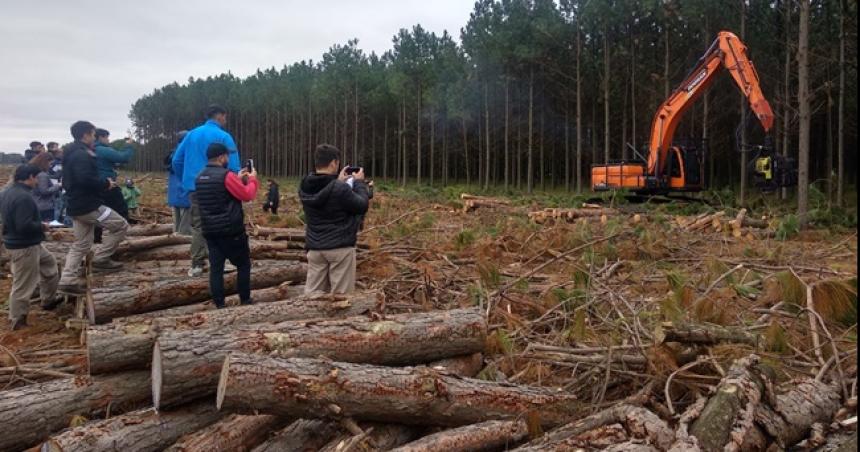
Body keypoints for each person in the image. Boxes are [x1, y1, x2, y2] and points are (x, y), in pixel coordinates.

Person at [57, 121, 129, 294]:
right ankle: (101, 259)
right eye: (93, 134)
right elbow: (85, 179)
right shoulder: (81, 155)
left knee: (81, 243)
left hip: (75, 205)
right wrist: (105, 183)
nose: (94, 138)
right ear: (85, 135)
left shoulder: (70, 153)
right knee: (121, 225)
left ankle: (67, 279)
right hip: (89, 206)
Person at [172, 105, 241, 277]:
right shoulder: (223, 136)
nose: (225, 120)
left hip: (195, 187)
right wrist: (233, 183)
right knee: (220, 223)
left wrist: (187, 179)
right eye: (225, 117)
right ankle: (219, 262)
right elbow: (233, 165)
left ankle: (196, 264)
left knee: (198, 225)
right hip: (219, 186)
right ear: (220, 116)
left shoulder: (191, 135)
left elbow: (176, 161)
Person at [299, 144, 369, 294]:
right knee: (341, 297)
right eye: (337, 162)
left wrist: (339, 181)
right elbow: (361, 205)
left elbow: (327, 193)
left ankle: (309, 317)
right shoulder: (339, 188)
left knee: (313, 296)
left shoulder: (305, 185)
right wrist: (359, 183)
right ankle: (338, 319)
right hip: (340, 248)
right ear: (333, 163)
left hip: (315, 248)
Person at [196, 143, 258, 308]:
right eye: (227, 156)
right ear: (222, 157)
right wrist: (252, 179)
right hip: (231, 231)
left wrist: (237, 179)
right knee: (243, 264)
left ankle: (219, 304)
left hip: (210, 230)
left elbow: (218, 194)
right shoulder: (226, 176)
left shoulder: (200, 177)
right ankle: (245, 299)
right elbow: (247, 195)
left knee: (216, 269)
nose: (228, 159)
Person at [1, 165, 61, 329]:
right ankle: (17, 320)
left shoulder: (7, 192)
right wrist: (41, 226)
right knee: (23, 284)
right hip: (24, 246)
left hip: (27, 243)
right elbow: (23, 225)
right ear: (29, 177)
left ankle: (48, 300)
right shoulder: (23, 197)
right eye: (36, 177)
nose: (37, 181)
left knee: (49, 265)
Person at [93, 129, 135, 220]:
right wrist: (128, 145)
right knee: (121, 209)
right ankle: (123, 229)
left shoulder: (90, 150)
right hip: (108, 185)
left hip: (96, 185)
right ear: (100, 137)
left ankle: (101, 230)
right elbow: (123, 157)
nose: (108, 140)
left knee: (100, 211)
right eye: (107, 137)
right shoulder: (102, 150)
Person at [166, 130, 191, 234]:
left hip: (173, 193)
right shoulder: (186, 152)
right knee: (186, 222)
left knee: (176, 221)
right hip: (184, 191)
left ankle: (175, 239)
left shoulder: (174, 152)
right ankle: (183, 242)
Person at [29, 152, 62, 222]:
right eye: (50, 163)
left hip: (38, 205)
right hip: (44, 207)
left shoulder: (35, 173)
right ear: (45, 162)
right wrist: (58, 185)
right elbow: (44, 191)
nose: (50, 166)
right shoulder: (42, 175)